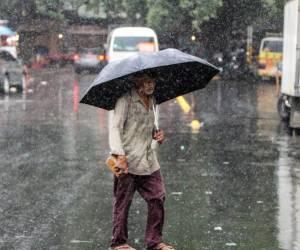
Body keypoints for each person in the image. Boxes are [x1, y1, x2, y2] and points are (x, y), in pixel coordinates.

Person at [109, 73, 175, 250]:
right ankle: (118, 243)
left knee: (158, 197)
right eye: (146, 81)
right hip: (127, 160)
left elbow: (150, 127)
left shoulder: (153, 101)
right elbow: (115, 128)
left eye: (152, 81)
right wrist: (119, 155)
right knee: (123, 202)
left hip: (148, 160)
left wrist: (158, 134)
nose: (150, 84)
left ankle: (154, 242)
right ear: (137, 81)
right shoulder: (125, 100)